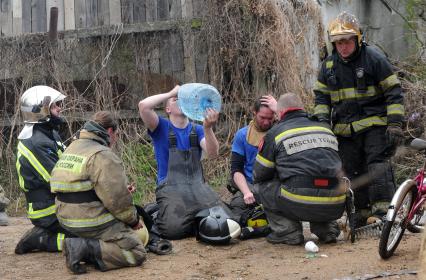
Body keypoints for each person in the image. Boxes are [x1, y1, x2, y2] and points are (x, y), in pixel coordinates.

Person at [313, 12, 404, 225]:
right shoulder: (328, 66)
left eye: (347, 41)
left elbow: (394, 92)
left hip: (375, 125)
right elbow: (321, 99)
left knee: (377, 166)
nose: (343, 46)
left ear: (357, 39)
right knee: (351, 171)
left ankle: (383, 215)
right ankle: (360, 215)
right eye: (338, 42)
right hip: (345, 131)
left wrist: (395, 124)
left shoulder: (374, 58)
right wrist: (323, 125)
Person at [138, 85, 240, 242]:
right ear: (168, 109)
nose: (179, 100)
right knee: (172, 232)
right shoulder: (160, 127)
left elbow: (213, 154)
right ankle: (156, 211)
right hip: (170, 189)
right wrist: (171, 92)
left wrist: (208, 128)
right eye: (175, 100)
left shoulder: (198, 129)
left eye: (182, 98)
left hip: (198, 187)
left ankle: (194, 218)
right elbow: (143, 106)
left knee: (229, 221)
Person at [50, 111, 146, 274]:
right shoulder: (102, 154)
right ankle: (84, 248)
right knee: (136, 252)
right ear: (110, 132)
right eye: (116, 134)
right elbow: (118, 202)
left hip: (65, 218)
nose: (115, 139)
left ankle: (82, 242)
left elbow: (80, 187)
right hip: (89, 220)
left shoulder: (72, 148)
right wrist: (134, 221)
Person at [253, 93, 344, 245]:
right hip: (335, 201)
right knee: (320, 181)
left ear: (279, 113)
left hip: (298, 201)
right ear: (302, 108)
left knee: (259, 187)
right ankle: (327, 228)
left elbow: (260, 173)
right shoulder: (325, 128)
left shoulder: (275, 133)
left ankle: (288, 232)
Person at [15, 85, 72, 254]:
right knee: (89, 235)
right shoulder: (36, 142)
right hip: (47, 210)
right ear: (41, 110)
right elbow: (57, 180)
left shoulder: (48, 134)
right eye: (55, 106)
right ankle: (41, 239)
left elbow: (70, 166)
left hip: (58, 204)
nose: (60, 108)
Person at [228, 95, 276, 222]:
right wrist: (246, 192)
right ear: (254, 113)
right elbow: (236, 170)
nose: (266, 122)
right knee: (237, 208)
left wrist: (278, 108)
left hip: (274, 187)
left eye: (270, 118)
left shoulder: (281, 131)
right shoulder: (242, 135)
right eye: (262, 117)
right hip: (251, 187)